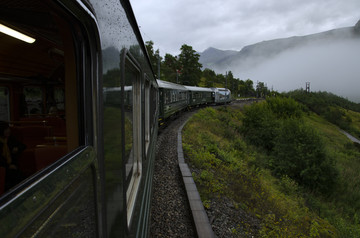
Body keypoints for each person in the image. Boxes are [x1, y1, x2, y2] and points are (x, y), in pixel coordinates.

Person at [0, 121, 26, 191]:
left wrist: (17, 148)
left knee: (22, 177)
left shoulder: (10, 138)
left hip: (12, 165)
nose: (8, 131)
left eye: (8, 129)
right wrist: (8, 166)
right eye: (5, 130)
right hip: (3, 167)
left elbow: (23, 145)